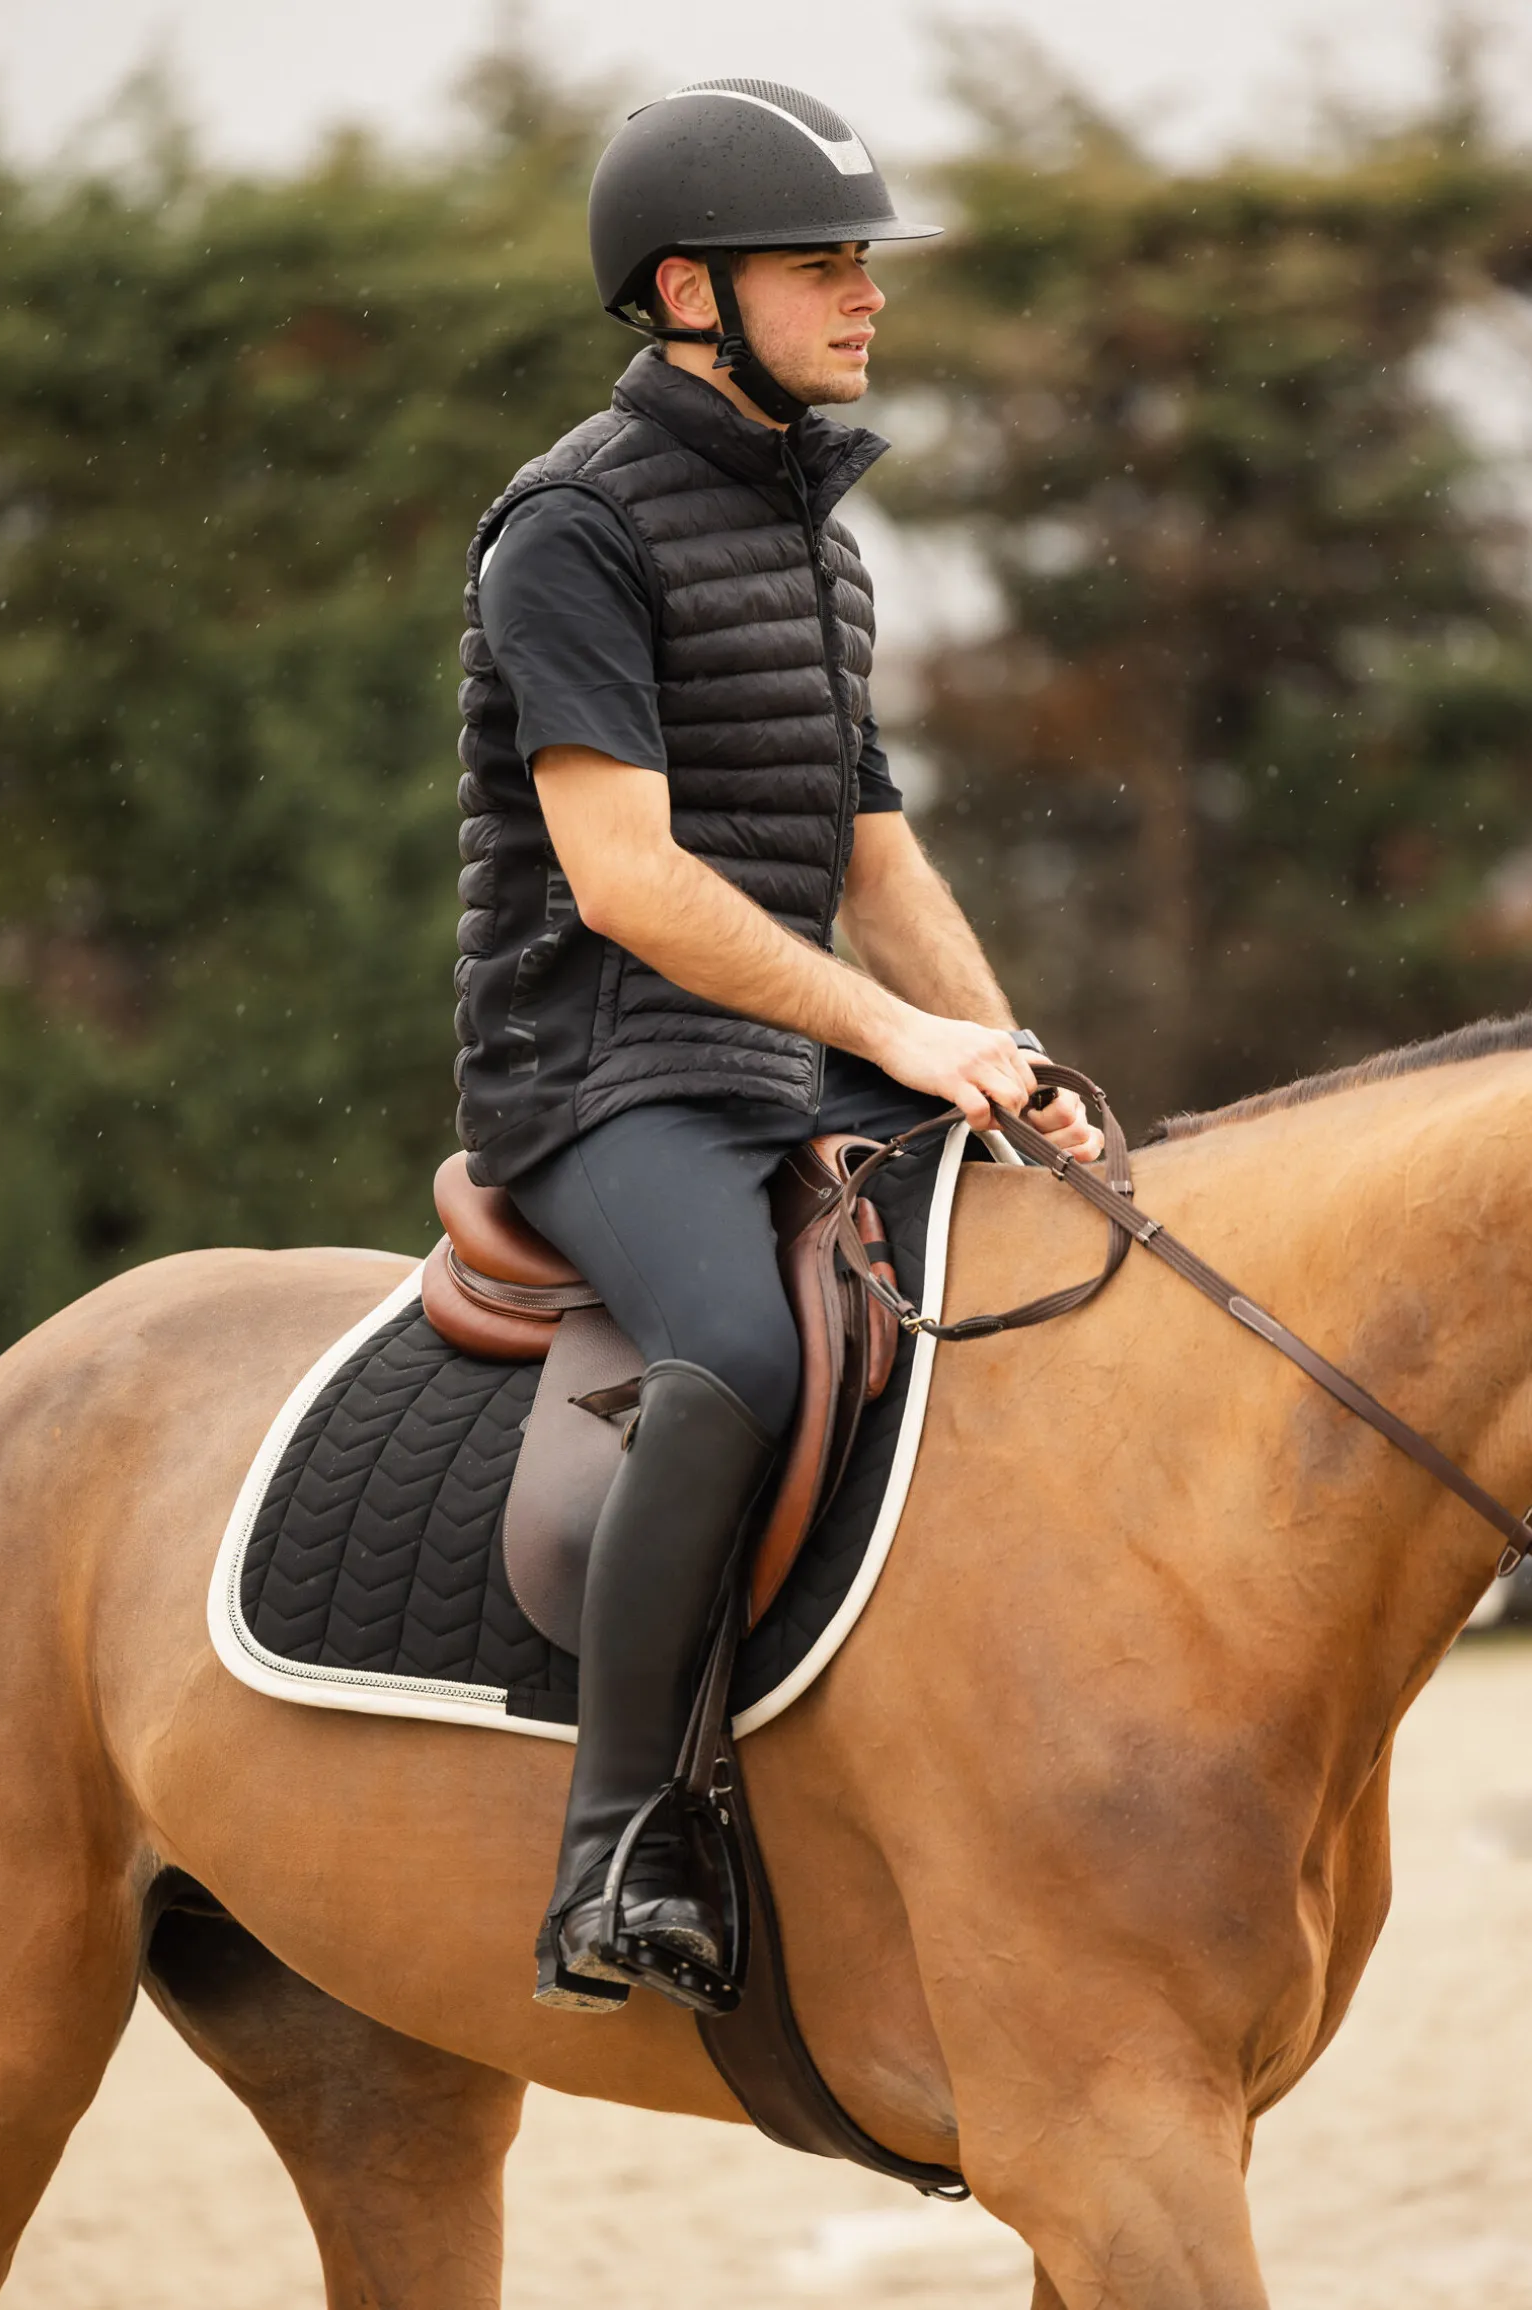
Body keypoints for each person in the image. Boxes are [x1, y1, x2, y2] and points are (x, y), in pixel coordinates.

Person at [452, 79, 1103, 2013]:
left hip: (769, 1057)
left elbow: (878, 863)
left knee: (1062, 1231)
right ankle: (618, 1844)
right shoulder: (568, 529)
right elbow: (629, 882)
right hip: (595, 1068)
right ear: (686, 290)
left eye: (863, 263)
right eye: (823, 261)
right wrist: (898, 1028)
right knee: (733, 1344)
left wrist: (1000, 1052)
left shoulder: (817, 546)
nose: (865, 294)